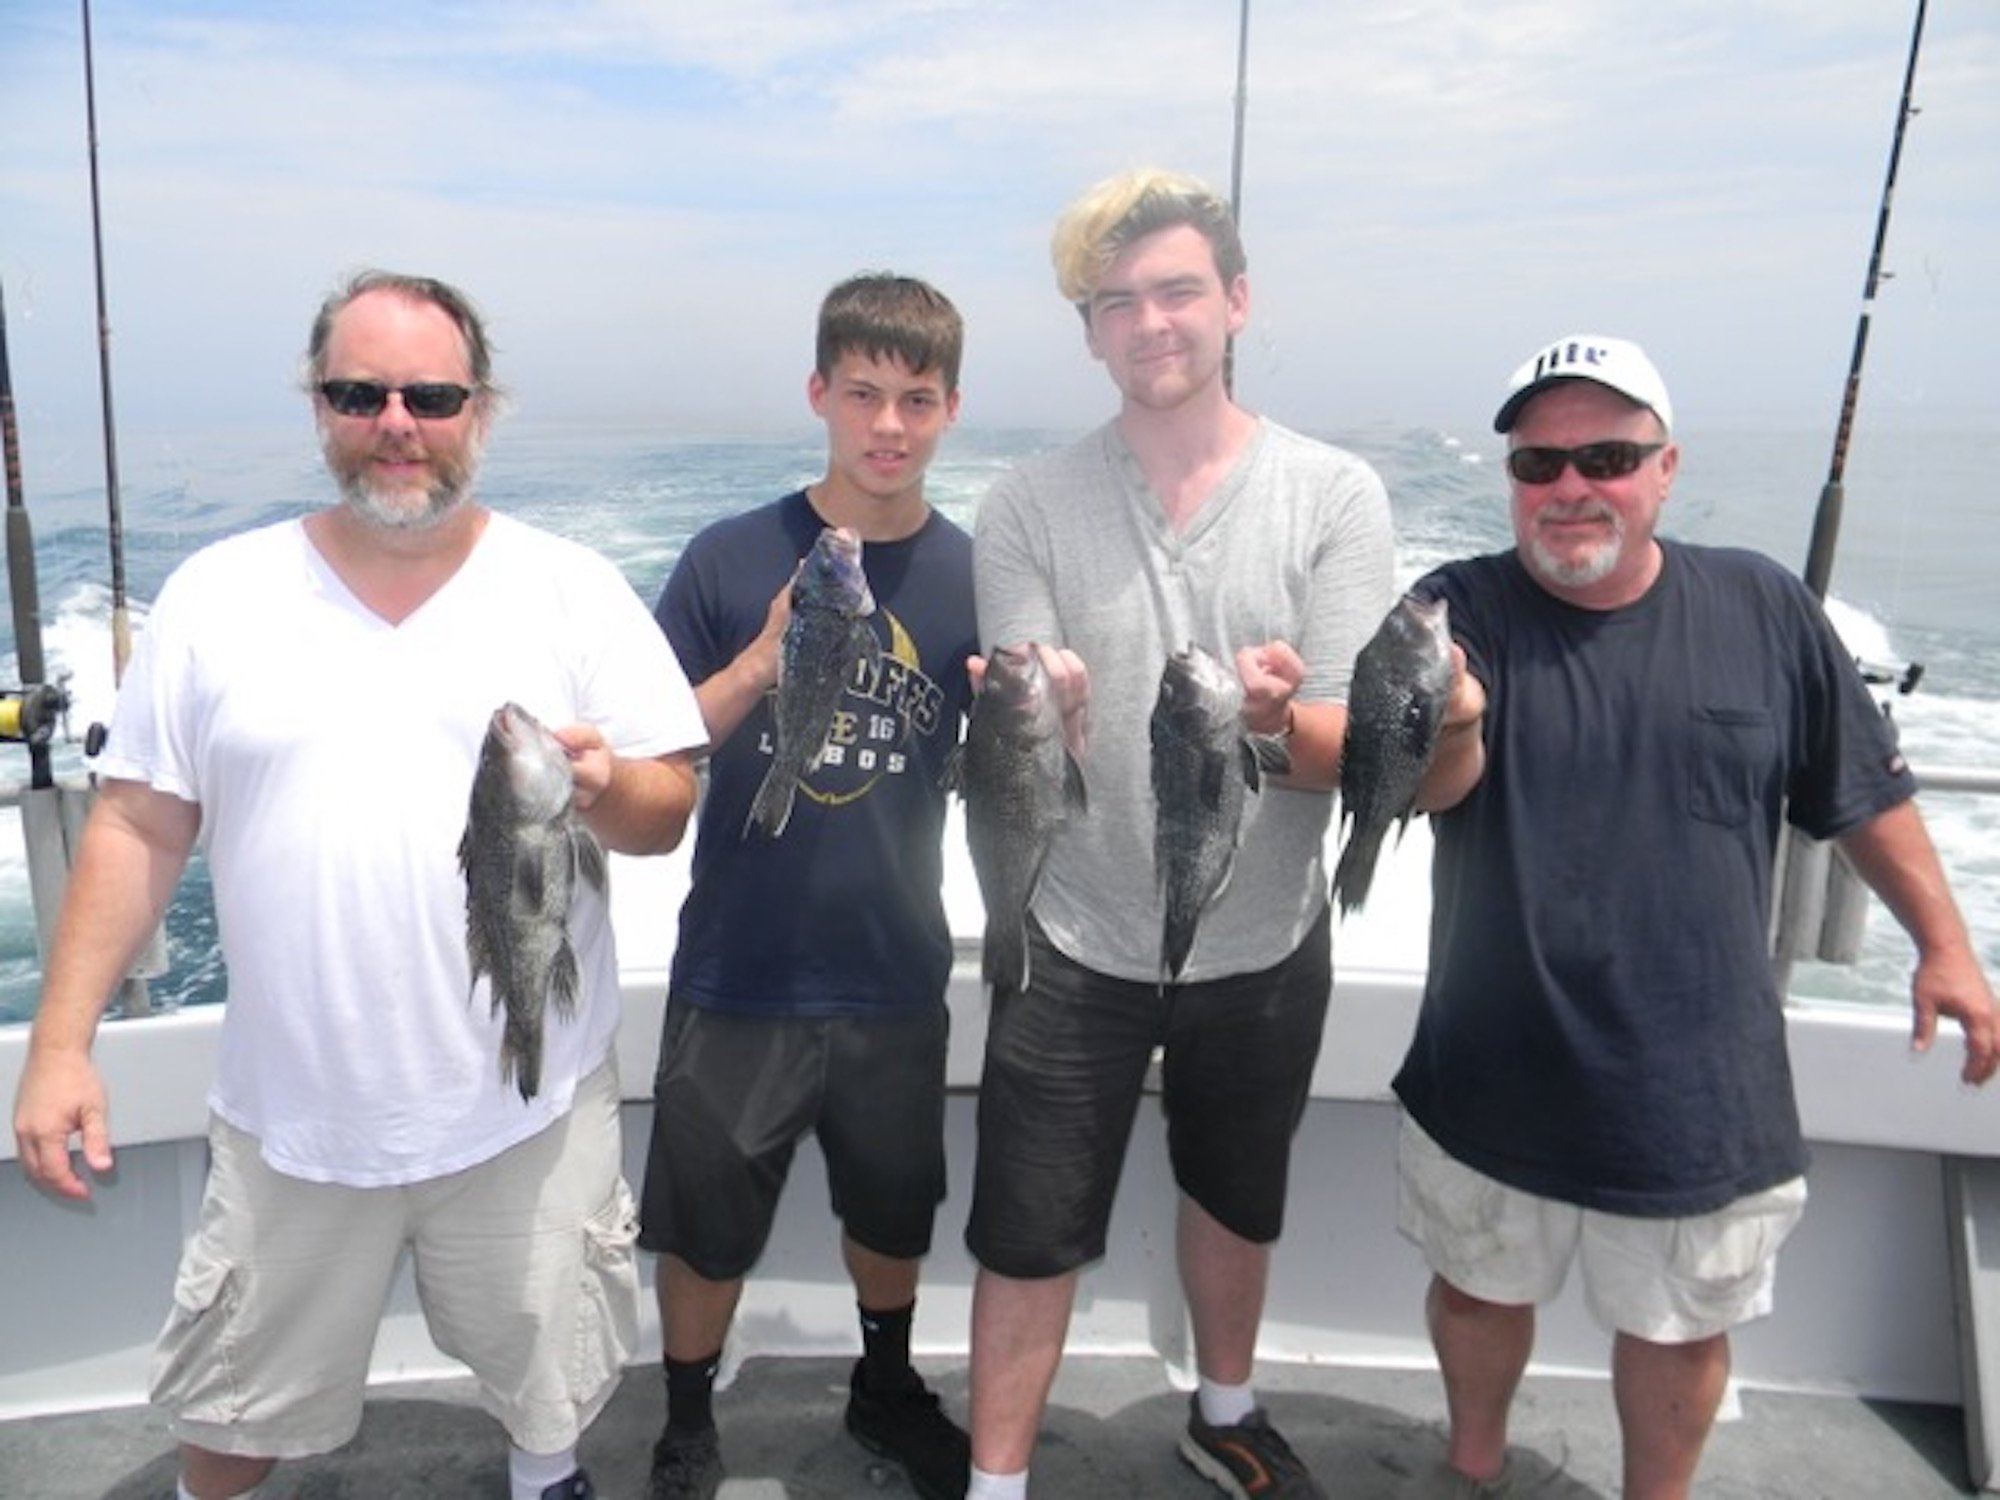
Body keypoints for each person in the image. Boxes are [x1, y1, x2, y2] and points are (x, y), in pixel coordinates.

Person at [10, 269, 706, 1500]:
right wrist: (60, 1047)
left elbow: (666, 809)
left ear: (481, 408)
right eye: (359, 393)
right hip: (293, 1120)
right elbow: (136, 821)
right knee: (232, 1415)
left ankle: (546, 1476)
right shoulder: (217, 595)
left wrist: (603, 787)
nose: (397, 422)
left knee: (549, 1380)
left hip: (528, 1109)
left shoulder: (570, 587)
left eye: (431, 396)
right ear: (318, 405)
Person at [1395, 332, 2000, 1498]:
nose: (1569, 487)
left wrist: (1943, 947)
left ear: (1664, 469)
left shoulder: (1762, 605)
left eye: (1606, 457)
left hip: (1695, 1072)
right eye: (1536, 464)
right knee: (1474, 1289)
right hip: (1491, 1054)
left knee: (1677, 1328)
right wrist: (1454, 717)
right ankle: (1468, 1471)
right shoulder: (1451, 609)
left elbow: (1858, 790)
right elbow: (1423, 788)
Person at [965, 169, 1395, 1500]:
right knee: (1027, 1229)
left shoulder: (1336, 495)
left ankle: (1224, 1410)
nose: (1150, 322)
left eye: (1176, 291)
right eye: (1117, 302)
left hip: (1262, 934)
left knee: (1234, 1193)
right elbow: (1021, 742)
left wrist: (1276, 725)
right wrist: (1050, 706)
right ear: (1088, 332)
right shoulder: (1024, 504)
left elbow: (1348, 743)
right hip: (1071, 932)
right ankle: (996, 1481)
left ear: (1236, 302)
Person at [638, 272, 976, 1500]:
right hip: (741, 964)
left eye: (916, 400)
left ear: (949, 411)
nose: (888, 425)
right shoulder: (728, 559)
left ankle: (883, 1387)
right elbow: (647, 750)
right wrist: (756, 663)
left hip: (893, 968)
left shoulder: (978, 577)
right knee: (704, 1224)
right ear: (818, 393)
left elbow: (1003, 768)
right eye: (863, 394)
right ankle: (687, 1419)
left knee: (891, 1212)